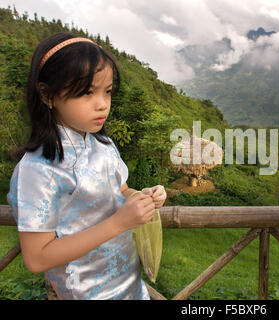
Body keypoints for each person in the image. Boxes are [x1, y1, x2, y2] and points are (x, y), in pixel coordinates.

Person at [7, 32, 167, 300]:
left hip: (129, 282)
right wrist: (118, 223)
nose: (102, 104)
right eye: (86, 93)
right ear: (47, 95)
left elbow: (121, 190)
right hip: (86, 292)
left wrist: (143, 197)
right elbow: (36, 258)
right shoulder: (38, 168)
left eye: (107, 91)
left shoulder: (102, 145)